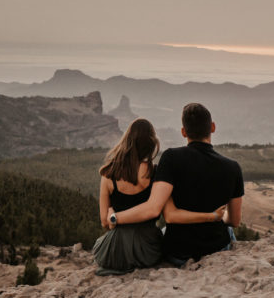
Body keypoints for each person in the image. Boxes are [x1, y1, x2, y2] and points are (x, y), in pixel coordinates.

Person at [111, 102, 243, 265]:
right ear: (213, 127)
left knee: (163, 231)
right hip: (217, 249)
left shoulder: (171, 158)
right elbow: (234, 221)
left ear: (183, 132)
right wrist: (214, 216)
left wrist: (114, 217)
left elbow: (166, 214)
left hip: (179, 253)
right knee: (228, 231)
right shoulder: (233, 167)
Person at [93, 118, 221, 275]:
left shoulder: (107, 175)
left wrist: (113, 216)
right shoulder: (156, 173)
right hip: (147, 249)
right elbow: (168, 214)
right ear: (151, 144)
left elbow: (105, 222)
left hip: (114, 251)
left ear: (126, 141)